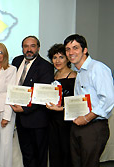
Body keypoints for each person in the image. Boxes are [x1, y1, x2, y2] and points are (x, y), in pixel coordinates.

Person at [64, 34, 114, 167]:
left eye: (75, 48)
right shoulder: (79, 72)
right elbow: (82, 101)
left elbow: (108, 98)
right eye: (68, 49)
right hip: (78, 125)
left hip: (93, 126)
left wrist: (86, 118)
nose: (71, 52)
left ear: (84, 50)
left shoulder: (97, 68)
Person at [11, 36, 54, 167]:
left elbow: (42, 94)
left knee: (39, 155)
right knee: (27, 154)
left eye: (32, 46)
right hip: (20, 119)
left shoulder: (46, 66)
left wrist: (25, 109)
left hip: (37, 119)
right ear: (22, 48)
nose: (29, 49)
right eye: (26, 46)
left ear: (38, 48)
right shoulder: (17, 61)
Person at [45, 44, 76, 167]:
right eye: (54, 57)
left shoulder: (73, 76)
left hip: (66, 120)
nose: (57, 61)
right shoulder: (52, 76)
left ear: (68, 59)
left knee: (66, 152)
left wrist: (61, 108)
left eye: (61, 57)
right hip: (52, 119)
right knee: (54, 152)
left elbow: (75, 102)